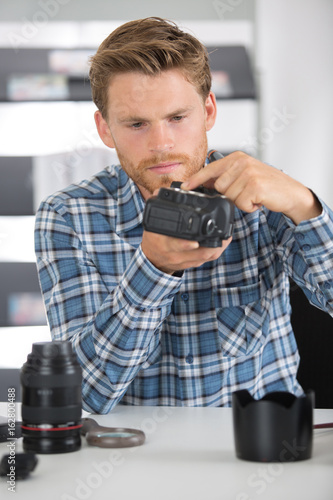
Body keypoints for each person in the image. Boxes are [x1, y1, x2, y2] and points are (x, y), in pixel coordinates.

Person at [35, 17, 333, 414]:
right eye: (137, 123)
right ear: (105, 129)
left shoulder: (261, 193)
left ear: (208, 111)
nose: (161, 145)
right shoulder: (68, 217)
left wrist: (304, 204)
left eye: (177, 118)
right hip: (135, 457)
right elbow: (88, 394)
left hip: (262, 448)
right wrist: (153, 269)